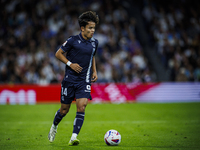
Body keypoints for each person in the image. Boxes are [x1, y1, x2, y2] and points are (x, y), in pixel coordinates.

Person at [48, 11, 99, 146]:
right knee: (64, 110)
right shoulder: (72, 40)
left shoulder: (95, 43)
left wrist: (94, 71)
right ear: (82, 28)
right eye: (90, 28)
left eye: (94, 28)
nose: (92, 31)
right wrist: (70, 64)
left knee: (81, 107)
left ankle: (73, 137)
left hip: (84, 80)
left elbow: (92, 56)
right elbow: (58, 54)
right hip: (70, 80)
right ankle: (54, 126)